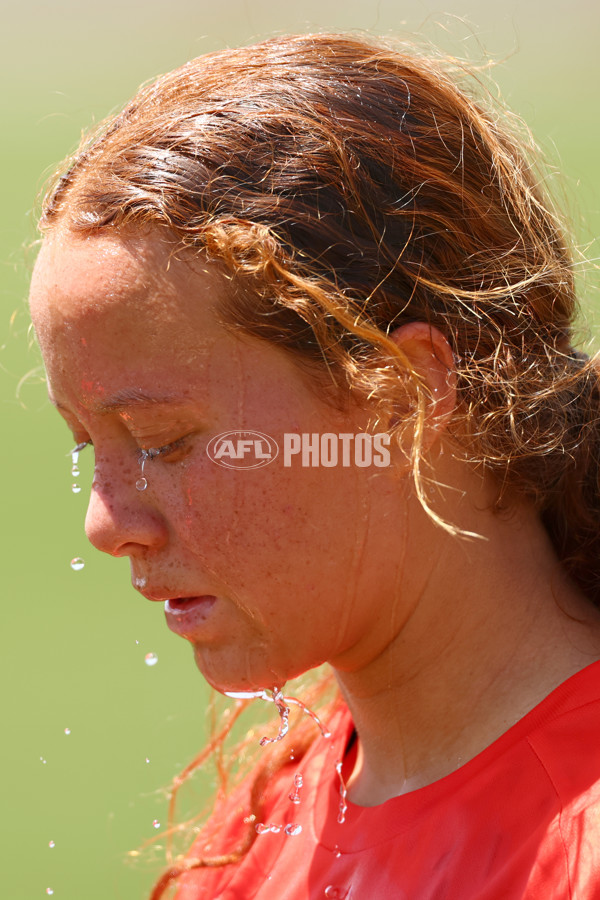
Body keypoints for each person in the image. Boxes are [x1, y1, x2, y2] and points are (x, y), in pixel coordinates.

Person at [28, 31, 600, 899]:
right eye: (88, 447)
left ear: (402, 399)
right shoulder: (270, 815)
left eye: (163, 439)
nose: (105, 522)